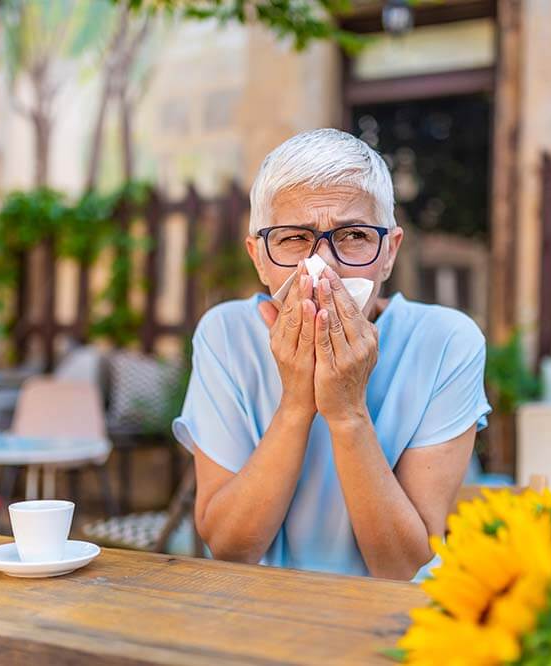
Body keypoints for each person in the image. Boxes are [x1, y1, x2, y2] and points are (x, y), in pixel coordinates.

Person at [172, 128, 490, 580]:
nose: (323, 266)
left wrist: (347, 413)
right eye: (293, 239)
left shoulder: (446, 342)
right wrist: (297, 402)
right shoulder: (226, 336)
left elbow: (401, 565)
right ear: (259, 257)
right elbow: (230, 548)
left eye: (355, 235)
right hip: (260, 621)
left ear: (389, 253)